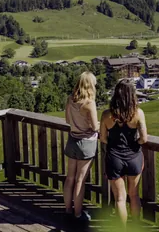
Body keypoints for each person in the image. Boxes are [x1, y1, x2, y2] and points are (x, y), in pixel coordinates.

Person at [100, 79, 148, 226]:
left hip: (114, 158)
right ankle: (135, 226)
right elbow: (144, 138)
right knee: (134, 195)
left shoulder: (107, 114)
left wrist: (114, 144)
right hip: (133, 157)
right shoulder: (138, 113)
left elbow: (102, 138)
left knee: (120, 198)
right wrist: (135, 144)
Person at [64, 71, 99, 222]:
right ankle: (78, 214)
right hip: (86, 143)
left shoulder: (70, 99)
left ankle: (67, 210)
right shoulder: (89, 104)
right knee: (80, 180)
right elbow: (95, 127)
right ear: (90, 85)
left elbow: (67, 120)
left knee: (70, 178)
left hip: (72, 141)